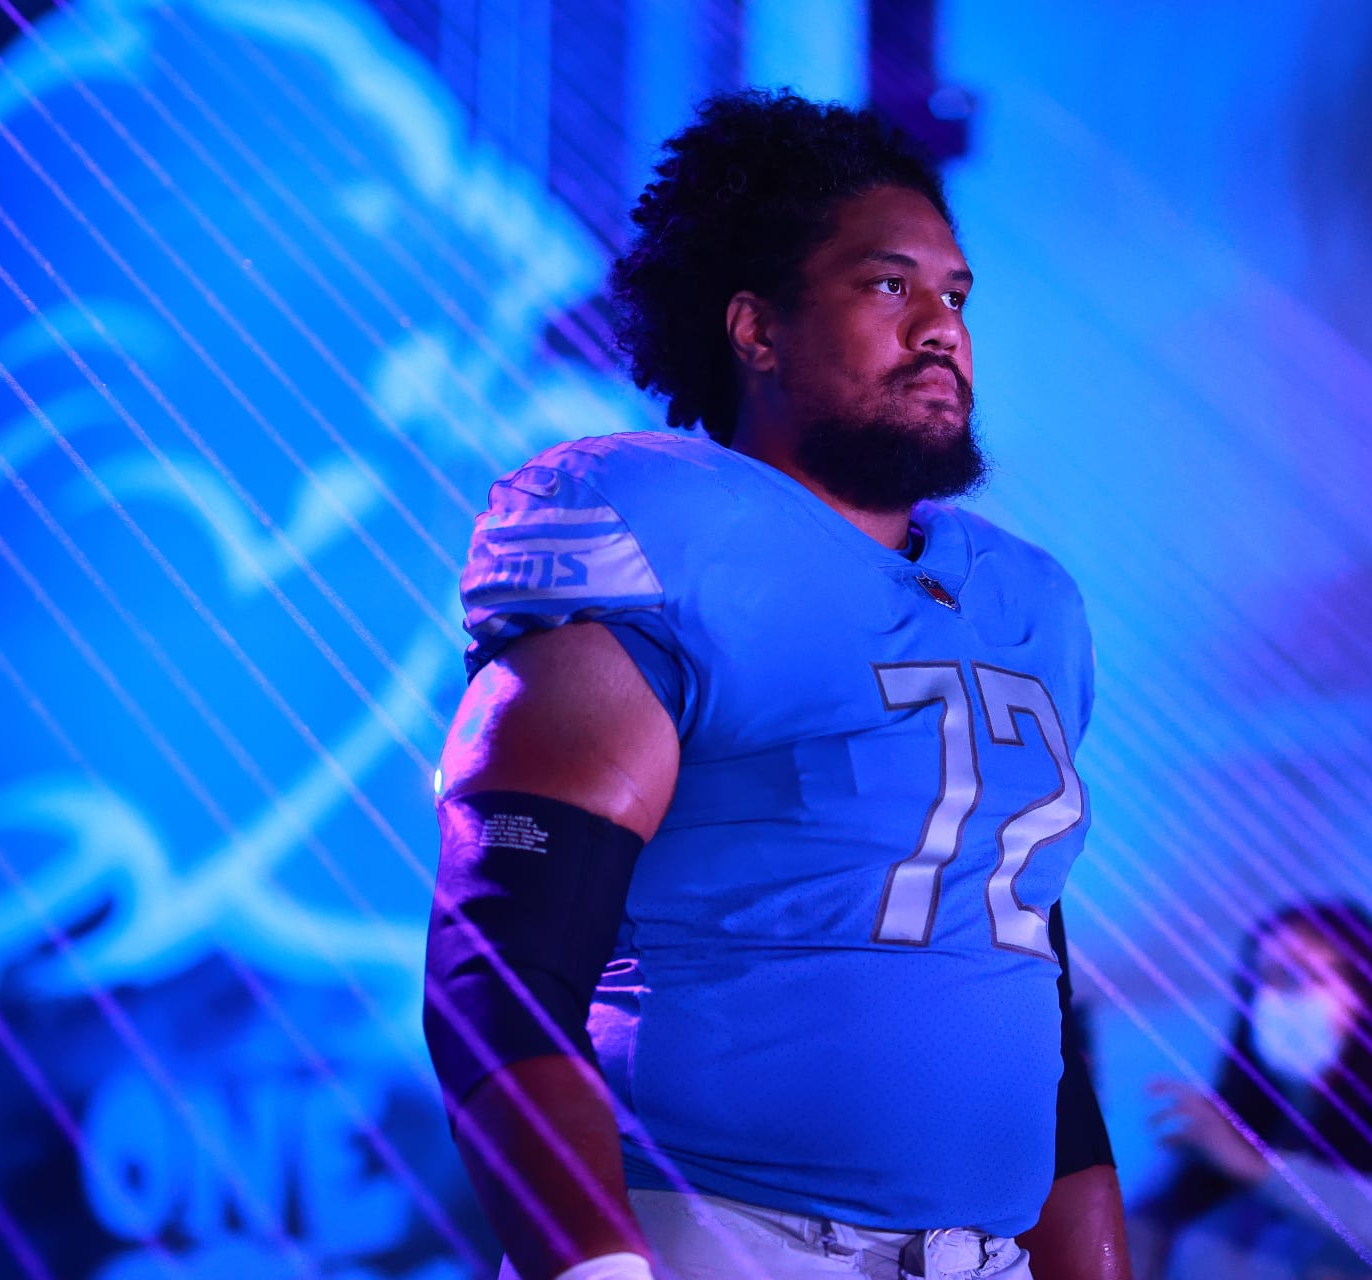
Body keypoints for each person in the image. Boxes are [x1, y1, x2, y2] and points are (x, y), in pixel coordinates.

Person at [423, 89, 1129, 1280]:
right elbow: (498, 965)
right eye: (889, 285)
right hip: (724, 1241)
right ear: (756, 330)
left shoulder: (1027, 601)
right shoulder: (659, 531)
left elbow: (1021, 982)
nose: (943, 327)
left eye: (955, 294)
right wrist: (592, 1265)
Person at [1130, 901, 1372, 1280]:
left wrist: (1263, 1170)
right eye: (1256, 982)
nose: (1270, 1000)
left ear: (1369, 995)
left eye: (1296, 978)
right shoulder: (1236, 1128)